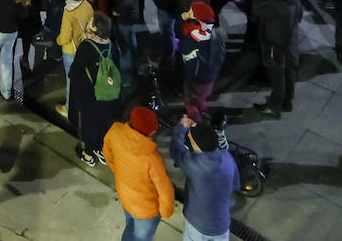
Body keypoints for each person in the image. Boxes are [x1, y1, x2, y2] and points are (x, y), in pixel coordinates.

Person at [101, 106, 175, 241]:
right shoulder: (152, 159)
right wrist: (165, 211)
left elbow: (107, 152)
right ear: (150, 133)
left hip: (125, 197)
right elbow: (165, 190)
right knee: (141, 237)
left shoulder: (115, 131)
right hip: (146, 211)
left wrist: (118, 171)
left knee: (130, 225)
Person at [170, 114, 239, 241]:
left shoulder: (194, 164)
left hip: (197, 223)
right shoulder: (227, 157)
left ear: (196, 145)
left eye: (190, 136)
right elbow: (235, 184)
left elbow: (175, 149)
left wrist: (182, 127)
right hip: (221, 224)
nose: (189, 136)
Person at [68, 12, 118, 166]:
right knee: (104, 120)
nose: (88, 22)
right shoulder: (111, 45)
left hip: (89, 92)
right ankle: (102, 151)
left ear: (95, 28)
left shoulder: (87, 46)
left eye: (91, 22)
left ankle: (88, 154)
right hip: (107, 91)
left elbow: (75, 70)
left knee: (89, 123)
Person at [252, 0, 301, 118]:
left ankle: (274, 106)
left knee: (277, 75)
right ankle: (287, 102)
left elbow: (257, 10)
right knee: (288, 73)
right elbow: (299, 14)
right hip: (290, 41)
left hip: (275, 43)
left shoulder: (275, 2)